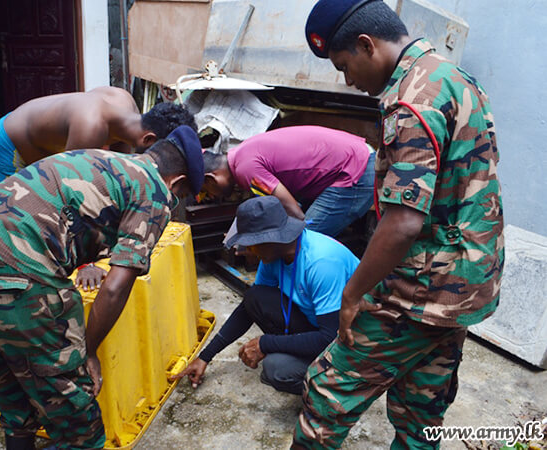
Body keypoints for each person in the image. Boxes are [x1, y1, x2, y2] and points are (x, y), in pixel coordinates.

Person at [294, 0, 504, 448]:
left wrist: (353, 293)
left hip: (422, 287)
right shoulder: (453, 77)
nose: (348, 80)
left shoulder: (411, 102)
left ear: (367, 45)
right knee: (421, 407)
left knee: (326, 393)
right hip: (466, 282)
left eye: (344, 65)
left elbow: (404, 222)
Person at [0, 125, 204, 449]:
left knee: (12, 390)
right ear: (177, 182)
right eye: (180, 195)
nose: (175, 201)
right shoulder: (155, 192)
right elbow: (115, 287)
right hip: (15, 267)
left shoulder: (109, 160)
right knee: (78, 420)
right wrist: (89, 351)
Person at [0, 86, 197, 325]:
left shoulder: (125, 106)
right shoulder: (90, 127)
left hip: (41, 150)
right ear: (151, 140)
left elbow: (126, 180)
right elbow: (65, 197)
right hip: (5, 148)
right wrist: (88, 264)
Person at [172, 196, 359, 394]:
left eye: (249, 244)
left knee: (277, 369)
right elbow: (248, 308)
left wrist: (266, 343)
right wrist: (205, 356)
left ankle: (343, 386)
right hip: (318, 325)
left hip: (349, 342)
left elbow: (330, 337)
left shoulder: (322, 263)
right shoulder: (275, 255)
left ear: (270, 239)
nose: (242, 251)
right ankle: (309, 361)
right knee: (255, 296)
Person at [201, 125, 375, 237]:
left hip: (354, 170)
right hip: (352, 157)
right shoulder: (241, 153)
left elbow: (294, 211)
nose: (210, 195)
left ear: (211, 178)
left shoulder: (245, 169)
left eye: (206, 190)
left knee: (303, 239)